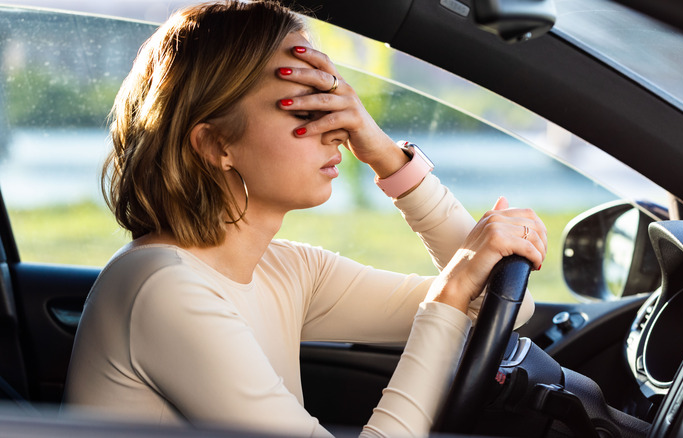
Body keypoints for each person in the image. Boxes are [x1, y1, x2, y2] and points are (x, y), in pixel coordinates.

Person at [63, 1, 547, 436]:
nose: (336, 130)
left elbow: (504, 307)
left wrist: (385, 154)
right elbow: (464, 296)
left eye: (333, 101)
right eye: (305, 108)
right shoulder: (162, 288)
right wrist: (452, 287)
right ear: (216, 144)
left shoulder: (287, 270)